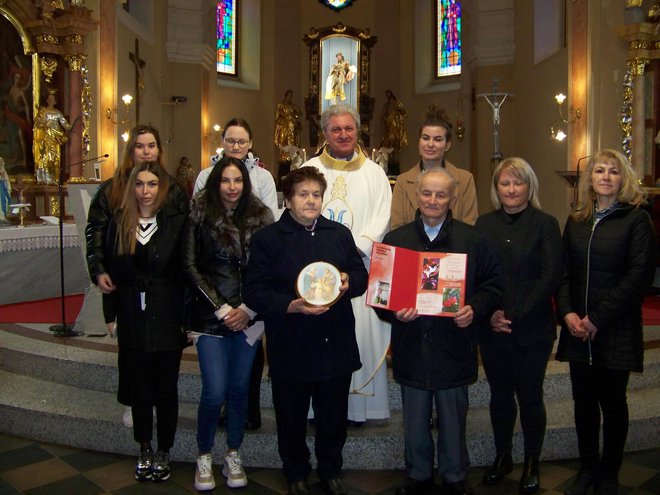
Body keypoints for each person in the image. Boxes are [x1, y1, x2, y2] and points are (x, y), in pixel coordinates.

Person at [375, 168, 501, 495]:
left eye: (440, 194)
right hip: (412, 344)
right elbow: (380, 297)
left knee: (453, 418)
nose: (432, 201)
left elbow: (493, 286)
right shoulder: (396, 241)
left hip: (454, 345)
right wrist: (393, 313)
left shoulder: (473, 240)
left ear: (453, 199)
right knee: (415, 420)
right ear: (417, 196)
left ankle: (455, 474)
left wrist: (475, 308)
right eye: (427, 194)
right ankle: (418, 474)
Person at [244, 166, 368, 495]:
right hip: (292, 341)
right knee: (291, 415)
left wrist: (348, 281)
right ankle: (295, 470)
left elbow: (360, 275)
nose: (310, 200)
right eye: (303, 194)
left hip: (334, 341)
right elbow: (254, 291)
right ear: (288, 199)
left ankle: (331, 468)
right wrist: (289, 305)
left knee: (333, 415)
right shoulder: (268, 239)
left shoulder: (339, 234)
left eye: (316, 194)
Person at [556, 149, 655, 495]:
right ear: (591, 179)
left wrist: (596, 318)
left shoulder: (636, 220)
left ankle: (610, 471)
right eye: (600, 170)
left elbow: (638, 276)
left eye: (614, 171)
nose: (606, 177)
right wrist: (567, 313)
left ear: (623, 178)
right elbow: (564, 272)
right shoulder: (577, 219)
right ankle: (587, 468)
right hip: (577, 329)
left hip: (615, 327)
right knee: (583, 402)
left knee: (613, 403)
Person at [86, 124, 188, 427]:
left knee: (160, 350)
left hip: (162, 286)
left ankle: (156, 402)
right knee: (131, 349)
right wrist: (98, 268)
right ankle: (132, 400)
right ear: (131, 151)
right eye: (140, 146)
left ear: (159, 150)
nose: (146, 151)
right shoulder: (111, 188)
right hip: (127, 279)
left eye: (151, 145)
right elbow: (96, 233)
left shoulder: (172, 187)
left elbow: (183, 233)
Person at [183, 156, 273, 491]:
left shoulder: (261, 216)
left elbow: (268, 268)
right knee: (214, 391)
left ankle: (233, 452)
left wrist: (248, 308)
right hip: (210, 316)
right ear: (215, 182)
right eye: (225, 180)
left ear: (245, 183)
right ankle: (204, 454)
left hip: (249, 317)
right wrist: (221, 309)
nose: (232, 187)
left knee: (239, 390)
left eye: (238, 181)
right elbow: (190, 267)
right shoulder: (199, 214)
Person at [474, 157, 563, 494]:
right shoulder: (483, 225)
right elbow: (477, 275)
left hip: (532, 328)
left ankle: (531, 461)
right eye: (504, 183)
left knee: (530, 397)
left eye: (518, 182)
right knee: (499, 396)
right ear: (496, 189)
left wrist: (516, 314)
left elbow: (549, 276)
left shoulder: (545, 224)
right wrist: (491, 313)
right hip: (493, 326)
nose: (511, 189)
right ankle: (503, 456)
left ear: (529, 187)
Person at [302, 103, 392, 424]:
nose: (343, 134)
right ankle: (317, 408)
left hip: (359, 270)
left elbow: (383, 216)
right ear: (325, 132)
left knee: (360, 339)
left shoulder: (375, 174)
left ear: (358, 132)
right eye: (336, 129)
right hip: (318, 274)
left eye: (348, 128)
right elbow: (300, 211)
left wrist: (352, 252)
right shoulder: (309, 169)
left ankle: (359, 410)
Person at [103, 161, 188, 482]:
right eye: (140, 184)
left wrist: (187, 319)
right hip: (131, 312)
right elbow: (110, 271)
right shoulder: (119, 221)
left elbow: (186, 272)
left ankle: (164, 449)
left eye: (152, 184)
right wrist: (110, 313)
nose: (146, 191)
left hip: (167, 312)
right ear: (132, 188)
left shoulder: (176, 223)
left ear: (161, 187)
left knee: (166, 388)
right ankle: (144, 447)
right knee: (140, 387)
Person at [193, 117, 278, 432]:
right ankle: (222, 406)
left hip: (251, 271)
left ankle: (248, 410)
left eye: (242, 141)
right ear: (223, 142)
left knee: (250, 354)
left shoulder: (264, 177)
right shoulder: (206, 175)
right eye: (230, 141)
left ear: (250, 143)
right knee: (218, 362)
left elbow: (268, 219)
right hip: (218, 275)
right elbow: (200, 218)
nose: (236, 146)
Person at [391, 109, 477, 229]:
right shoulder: (403, 181)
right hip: (411, 246)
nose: (430, 144)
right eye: (425, 138)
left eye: (437, 139)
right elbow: (397, 228)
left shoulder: (465, 179)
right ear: (419, 143)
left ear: (447, 145)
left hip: (453, 246)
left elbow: (469, 227)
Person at [33, 90, 72, 185]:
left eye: (52, 99)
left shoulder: (57, 112)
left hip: (55, 139)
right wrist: (44, 124)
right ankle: (45, 178)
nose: (51, 101)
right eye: (49, 99)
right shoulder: (43, 111)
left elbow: (64, 123)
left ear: (55, 102)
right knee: (45, 158)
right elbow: (38, 123)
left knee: (55, 158)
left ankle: (54, 178)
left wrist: (71, 127)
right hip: (45, 139)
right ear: (47, 100)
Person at [274, 89, 302, 162]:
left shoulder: (292, 106)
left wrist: (294, 117)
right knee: (283, 140)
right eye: (289, 95)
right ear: (286, 96)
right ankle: (284, 156)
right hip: (284, 126)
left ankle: (291, 155)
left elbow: (299, 113)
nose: (290, 97)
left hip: (292, 126)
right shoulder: (281, 106)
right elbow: (277, 118)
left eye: (291, 96)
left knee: (292, 140)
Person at [0, 157, 10, 224]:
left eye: (2, 162)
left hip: (3, 190)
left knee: (4, 202)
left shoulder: (3, 171)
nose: (1, 163)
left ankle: (3, 217)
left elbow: (7, 180)